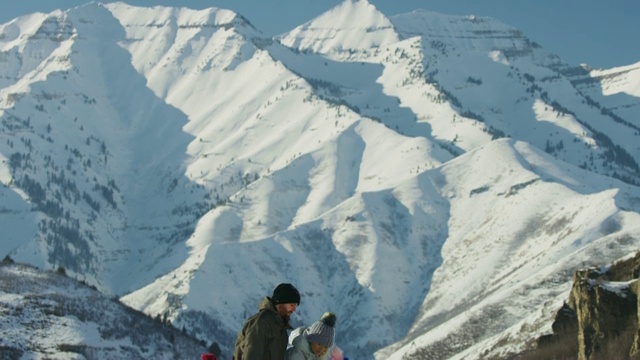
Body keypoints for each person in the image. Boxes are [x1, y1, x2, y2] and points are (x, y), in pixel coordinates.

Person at [233, 283, 301, 360]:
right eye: (292, 305)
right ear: (280, 303)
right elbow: (252, 355)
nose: (294, 310)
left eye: (295, 306)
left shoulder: (281, 327)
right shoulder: (261, 323)